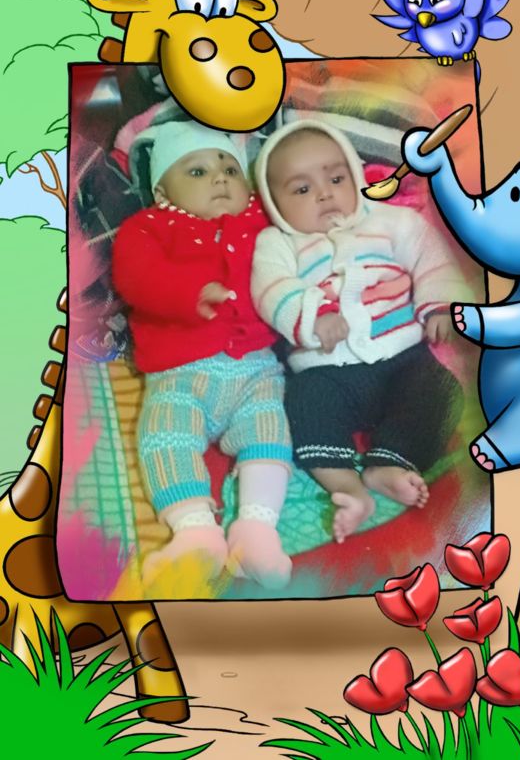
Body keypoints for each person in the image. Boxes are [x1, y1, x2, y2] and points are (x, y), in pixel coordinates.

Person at [251, 119, 470, 543]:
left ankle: (389, 462)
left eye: (336, 179)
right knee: (301, 405)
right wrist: (312, 316)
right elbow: (270, 289)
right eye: (302, 189)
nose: (324, 193)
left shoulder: (391, 221)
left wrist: (440, 305)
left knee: (441, 392)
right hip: (327, 369)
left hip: (402, 356)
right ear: (274, 204)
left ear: (355, 174)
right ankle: (347, 487)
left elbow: (430, 255)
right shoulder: (277, 243)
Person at [112, 119, 292, 588]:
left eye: (231, 169)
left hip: (256, 369)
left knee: (270, 430)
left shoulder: (262, 219)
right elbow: (135, 276)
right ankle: (194, 532)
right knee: (164, 435)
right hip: (180, 372)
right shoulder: (148, 227)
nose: (219, 179)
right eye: (197, 171)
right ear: (161, 191)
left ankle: (257, 527)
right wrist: (189, 291)